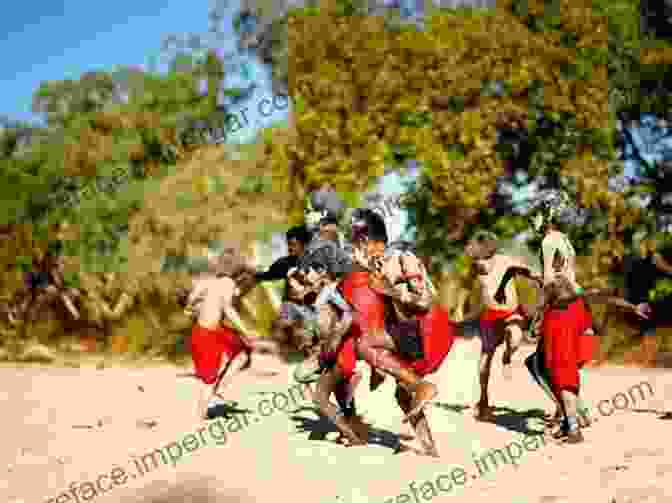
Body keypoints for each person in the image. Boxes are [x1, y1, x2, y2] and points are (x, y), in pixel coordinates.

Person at [185, 246, 278, 420]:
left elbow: (191, 299)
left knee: (242, 352)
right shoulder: (228, 283)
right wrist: (245, 330)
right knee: (209, 379)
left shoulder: (208, 281)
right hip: (209, 334)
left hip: (204, 330)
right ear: (237, 268)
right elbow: (228, 309)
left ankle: (216, 394)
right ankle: (205, 410)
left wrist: (192, 308)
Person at [464, 230, 540, 420]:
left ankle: (507, 357)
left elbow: (526, 270)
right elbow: (470, 289)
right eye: (476, 261)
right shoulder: (476, 268)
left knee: (515, 338)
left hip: (510, 313)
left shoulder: (505, 261)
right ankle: (483, 400)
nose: (479, 265)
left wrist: (536, 277)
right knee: (485, 360)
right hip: (489, 318)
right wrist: (464, 310)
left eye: (482, 260)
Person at [254, 225, 312, 353]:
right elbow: (267, 275)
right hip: (290, 306)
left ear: (304, 245)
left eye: (293, 244)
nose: (289, 248)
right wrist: (254, 274)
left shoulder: (316, 263)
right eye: (288, 244)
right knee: (281, 324)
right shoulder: (284, 263)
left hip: (310, 308)